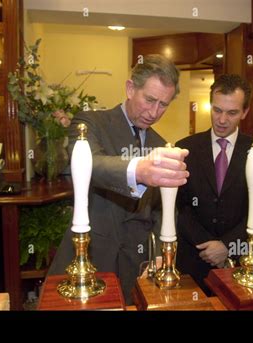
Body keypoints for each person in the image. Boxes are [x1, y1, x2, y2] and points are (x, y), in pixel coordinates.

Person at [48, 54, 189, 304]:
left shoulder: (159, 143)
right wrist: (140, 170)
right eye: (150, 100)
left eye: (163, 105)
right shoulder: (90, 123)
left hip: (137, 265)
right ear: (130, 88)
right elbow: (92, 165)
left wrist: (158, 255)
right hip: (91, 257)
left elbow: (162, 209)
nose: (154, 112)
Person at [175, 74, 253, 293]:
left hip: (240, 260)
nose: (222, 120)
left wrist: (227, 246)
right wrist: (207, 245)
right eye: (217, 110)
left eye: (232, 113)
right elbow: (180, 207)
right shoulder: (185, 148)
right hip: (193, 258)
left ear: (245, 112)